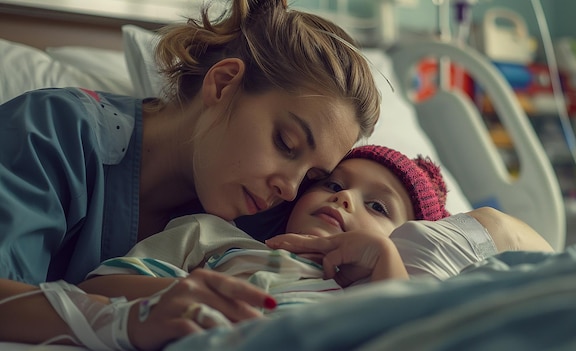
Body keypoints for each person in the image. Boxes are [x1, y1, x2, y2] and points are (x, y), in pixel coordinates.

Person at [0, 1, 381, 350]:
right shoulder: (55, 131)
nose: (290, 187)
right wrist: (127, 319)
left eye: (313, 174)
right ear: (223, 83)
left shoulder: (273, 223)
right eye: (285, 142)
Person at [78, 145, 551, 332]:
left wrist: (384, 256)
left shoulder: (385, 283)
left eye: (377, 206)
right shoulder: (214, 237)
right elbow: (95, 289)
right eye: (332, 183)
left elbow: (401, 333)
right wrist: (185, 295)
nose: (345, 198)